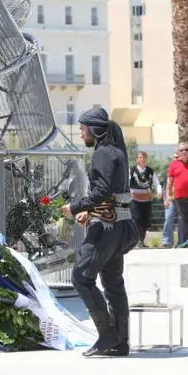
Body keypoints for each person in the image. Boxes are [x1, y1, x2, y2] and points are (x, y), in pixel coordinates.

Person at [59, 107, 138, 357]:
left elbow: (102, 191)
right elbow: (115, 196)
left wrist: (76, 207)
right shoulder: (117, 152)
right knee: (113, 284)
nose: (81, 135)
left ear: (94, 129)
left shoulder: (103, 153)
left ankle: (106, 336)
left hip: (106, 229)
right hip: (120, 226)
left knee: (81, 277)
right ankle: (121, 342)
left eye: (82, 130)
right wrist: (90, 213)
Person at [130, 151, 162, 248]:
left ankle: (142, 241)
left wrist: (159, 191)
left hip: (147, 201)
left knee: (145, 222)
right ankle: (137, 241)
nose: (142, 159)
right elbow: (125, 184)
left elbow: (156, 183)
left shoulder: (150, 171)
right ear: (136, 160)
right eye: (140, 157)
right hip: (135, 200)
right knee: (136, 220)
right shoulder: (132, 171)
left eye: (144, 157)